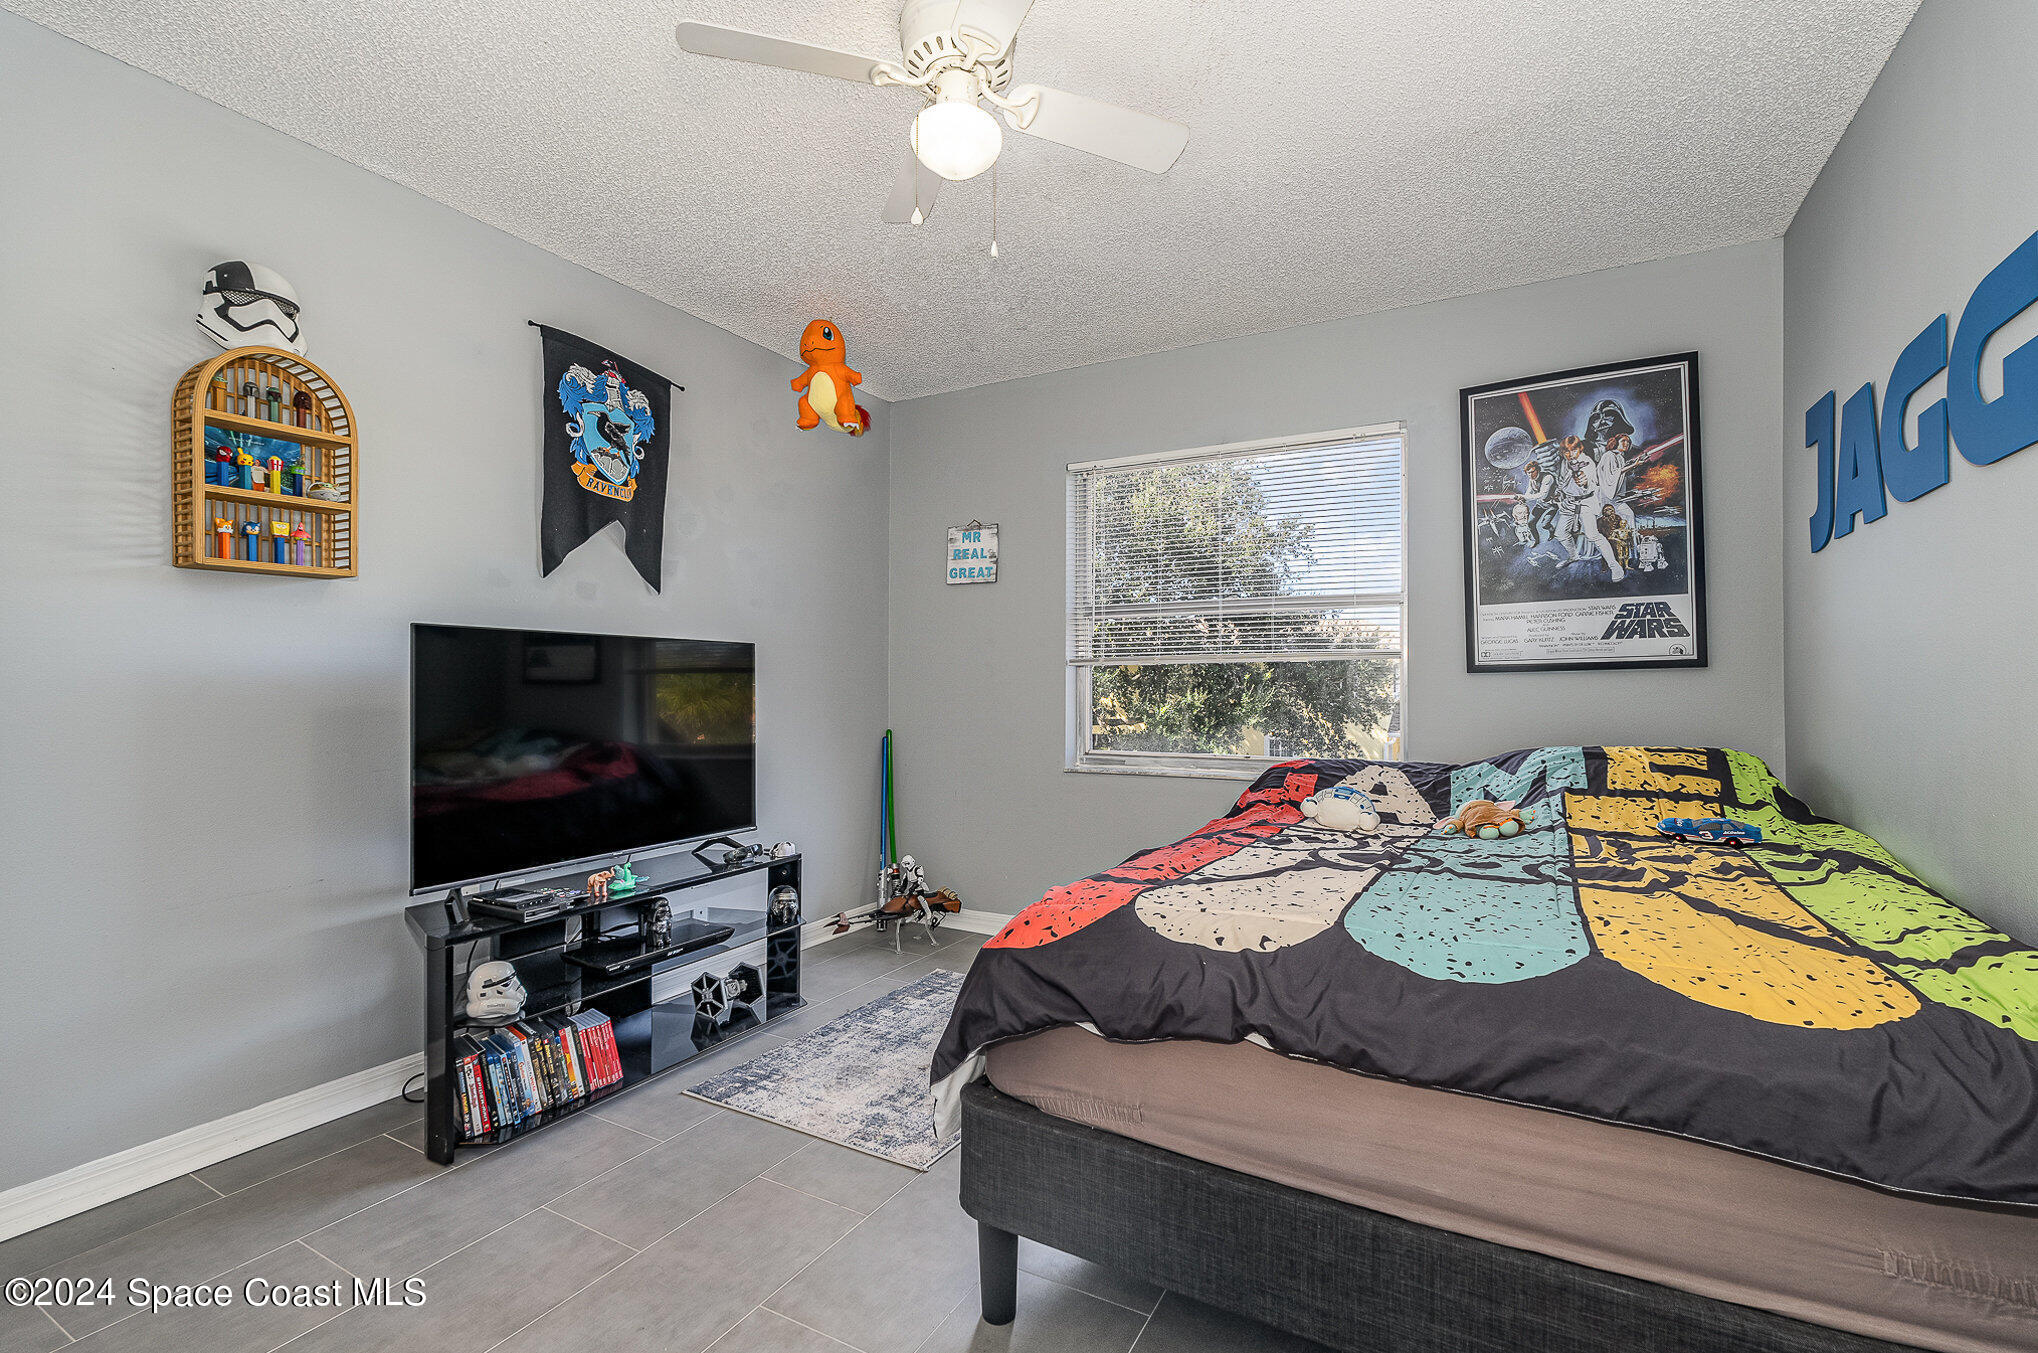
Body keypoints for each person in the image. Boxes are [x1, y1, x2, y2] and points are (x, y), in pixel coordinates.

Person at [1554, 436, 1623, 582]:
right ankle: (1573, 556)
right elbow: (1562, 482)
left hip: (1585, 503)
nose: (1570, 454)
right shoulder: (1564, 463)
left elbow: (1589, 482)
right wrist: (1560, 492)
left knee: (1592, 535)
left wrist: (1583, 482)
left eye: (1573, 450)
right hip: (1569, 503)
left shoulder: (1588, 463)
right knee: (1560, 533)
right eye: (1566, 451)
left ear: (1580, 448)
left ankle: (1614, 566)